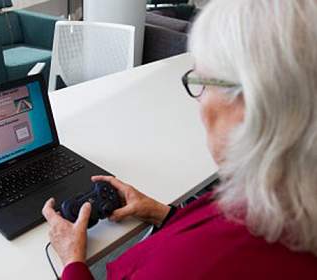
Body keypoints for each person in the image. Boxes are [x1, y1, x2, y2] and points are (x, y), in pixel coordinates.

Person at [42, 0, 317, 278]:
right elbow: (221, 226)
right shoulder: (280, 197)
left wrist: (73, 261)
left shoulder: (182, 266)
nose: (199, 105)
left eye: (203, 82)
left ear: (253, 106)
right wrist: (161, 213)